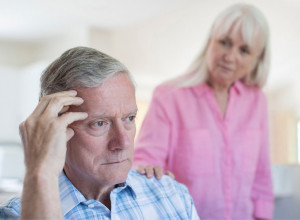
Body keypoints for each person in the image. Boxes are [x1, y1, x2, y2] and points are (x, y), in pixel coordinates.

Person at [0, 47, 199, 220]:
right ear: (56, 130)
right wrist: (40, 171)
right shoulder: (18, 215)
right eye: (99, 123)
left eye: (129, 118)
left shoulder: (171, 194)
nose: (123, 142)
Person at [134, 3, 274, 220]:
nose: (230, 56)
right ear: (210, 41)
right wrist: (147, 171)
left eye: (244, 50)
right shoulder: (168, 96)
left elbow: (261, 176)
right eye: (224, 43)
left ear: (257, 59)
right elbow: (145, 165)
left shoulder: (257, 101)